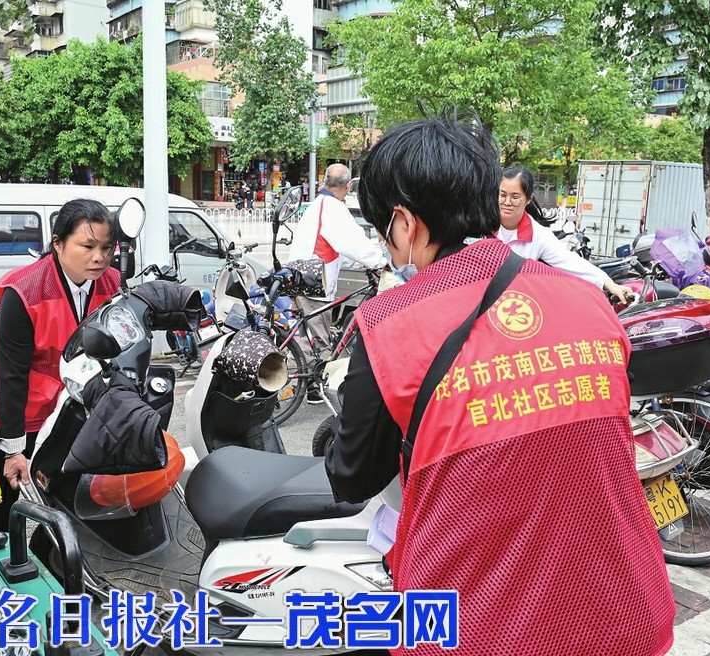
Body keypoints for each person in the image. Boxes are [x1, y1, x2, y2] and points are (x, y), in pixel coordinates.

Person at [324, 116, 675, 655]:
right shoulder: (589, 302)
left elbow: (351, 478)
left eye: (381, 229)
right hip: (628, 614)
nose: (384, 243)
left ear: (405, 222)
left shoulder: (389, 325)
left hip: (480, 631)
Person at [0, 199, 121, 533]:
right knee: (4, 511)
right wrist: (13, 450)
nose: (99, 257)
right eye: (87, 246)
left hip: (61, 405)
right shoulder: (23, 292)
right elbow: (10, 377)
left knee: (62, 494)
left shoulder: (111, 282)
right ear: (58, 243)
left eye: (107, 248)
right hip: (5, 410)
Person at [288, 163, 387, 403]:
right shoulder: (334, 209)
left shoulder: (318, 205)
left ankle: (307, 384)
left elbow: (338, 251)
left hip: (302, 277)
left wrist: (365, 262)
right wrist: (382, 260)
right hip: (314, 283)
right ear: (347, 186)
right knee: (319, 341)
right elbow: (354, 244)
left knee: (307, 338)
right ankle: (312, 388)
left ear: (324, 182)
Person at [499, 165, 634, 303]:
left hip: (514, 304)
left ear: (529, 199)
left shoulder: (538, 236)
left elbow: (570, 262)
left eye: (515, 197)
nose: (507, 202)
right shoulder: (485, 226)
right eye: (502, 195)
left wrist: (610, 284)